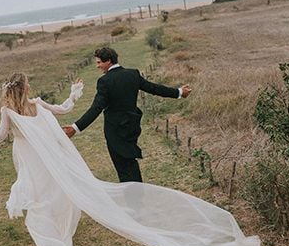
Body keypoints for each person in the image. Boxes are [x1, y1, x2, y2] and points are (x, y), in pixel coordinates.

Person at [0, 72, 261, 246]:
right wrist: (74, 94)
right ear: (25, 88)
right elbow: (66, 108)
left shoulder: (9, 112)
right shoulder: (38, 103)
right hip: (51, 161)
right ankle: (59, 244)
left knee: (40, 205)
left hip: (33, 163)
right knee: (57, 198)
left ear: (8, 91)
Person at [62, 47, 192, 182]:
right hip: (132, 126)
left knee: (124, 167)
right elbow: (154, 88)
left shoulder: (105, 81)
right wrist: (178, 92)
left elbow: (96, 108)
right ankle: (136, 195)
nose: (97, 66)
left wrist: (75, 128)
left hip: (115, 131)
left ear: (109, 61)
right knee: (129, 162)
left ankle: (134, 198)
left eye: (99, 62)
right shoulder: (132, 74)